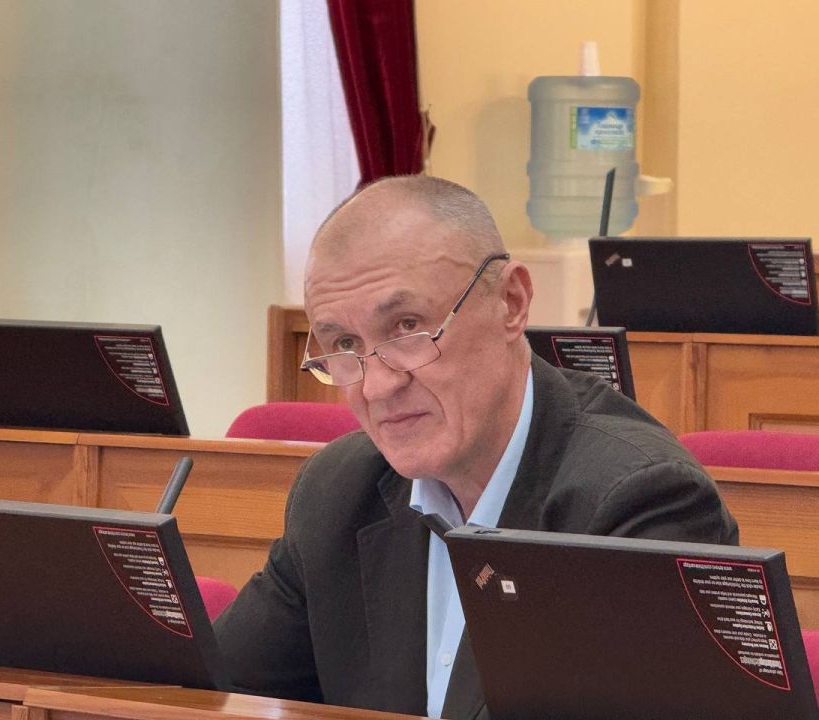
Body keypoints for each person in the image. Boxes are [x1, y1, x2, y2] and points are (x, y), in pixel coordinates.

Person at [214, 175, 738, 719]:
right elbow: (207, 697)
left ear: (511, 303)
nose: (376, 386)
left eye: (407, 327)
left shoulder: (639, 502)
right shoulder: (337, 491)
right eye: (345, 344)